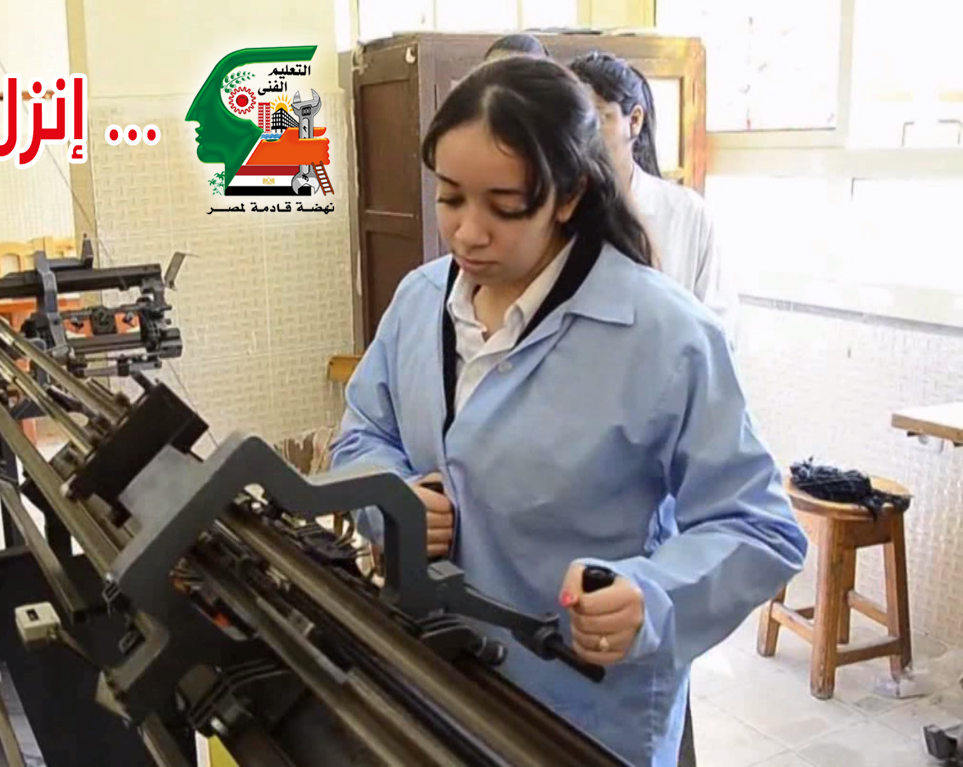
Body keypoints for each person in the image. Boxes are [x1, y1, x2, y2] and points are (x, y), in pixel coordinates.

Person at [328, 56, 806, 767]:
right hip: (435, 681)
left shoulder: (663, 335)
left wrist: (651, 597)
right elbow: (363, 434)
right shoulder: (421, 301)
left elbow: (760, 527)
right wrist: (390, 501)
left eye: (504, 205)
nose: (468, 233)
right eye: (451, 198)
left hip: (582, 716)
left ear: (570, 194)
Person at [569, 51, 740, 344]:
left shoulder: (685, 212)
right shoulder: (556, 212)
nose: (581, 136)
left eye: (596, 118)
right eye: (572, 122)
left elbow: (719, 328)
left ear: (634, 121)